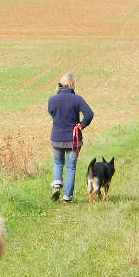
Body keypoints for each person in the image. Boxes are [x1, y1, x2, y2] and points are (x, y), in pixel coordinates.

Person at [47, 72, 94, 203]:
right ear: (72, 84)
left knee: (58, 163)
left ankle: (56, 184)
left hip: (56, 137)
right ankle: (67, 197)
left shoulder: (52, 99)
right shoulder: (77, 99)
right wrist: (82, 125)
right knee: (71, 167)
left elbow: (51, 112)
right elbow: (89, 114)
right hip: (73, 138)